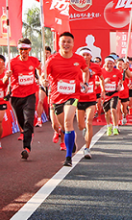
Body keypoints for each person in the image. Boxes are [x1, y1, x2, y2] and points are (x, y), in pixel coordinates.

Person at [46, 32, 90, 166]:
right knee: (62, 126)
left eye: (68, 42)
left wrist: (85, 83)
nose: (66, 44)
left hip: (73, 95)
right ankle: (71, 140)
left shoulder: (79, 59)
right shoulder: (52, 60)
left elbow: (86, 70)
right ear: (59, 43)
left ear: (73, 44)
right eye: (63, 41)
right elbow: (44, 76)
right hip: (57, 97)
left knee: (68, 121)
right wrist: (43, 80)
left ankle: (68, 157)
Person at [5, 38, 42, 160]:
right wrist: (7, 76)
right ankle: (27, 132)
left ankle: (26, 148)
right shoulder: (12, 63)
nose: (23, 51)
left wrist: (42, 79)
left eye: (25, 49)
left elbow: (41, 71)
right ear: (18, 49)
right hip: (16, 96)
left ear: (29, 50)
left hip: (30, 94)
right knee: (22, 122)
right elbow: (4, 82)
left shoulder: (34, 61)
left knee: (28, 120)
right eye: (21, 49)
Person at [78, 49, 100, 159]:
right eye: (83, 55)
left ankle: (87, 148)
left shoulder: (95, 66)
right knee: (80, 125)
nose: (85, 57)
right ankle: (84, 130)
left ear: (91, 56)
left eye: (87, 55)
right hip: (79, 99)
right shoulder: (76, 67)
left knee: (89, 122)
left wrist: (103, 89)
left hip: (91, 99)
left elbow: (102, 76)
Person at [101, 55, 122, 136]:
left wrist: (120, 85)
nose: (109, 65)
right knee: (107, 112)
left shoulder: (117, 71)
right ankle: (108, 126)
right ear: (105, 63)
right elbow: (96, 83)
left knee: (113, 109)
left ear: (114, 64)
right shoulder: (101, 71)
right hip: (105, 94)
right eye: (108, 63)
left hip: (114, 93)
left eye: (111, 63)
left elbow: (121, 80)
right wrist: (104, 82)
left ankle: (115, 127)